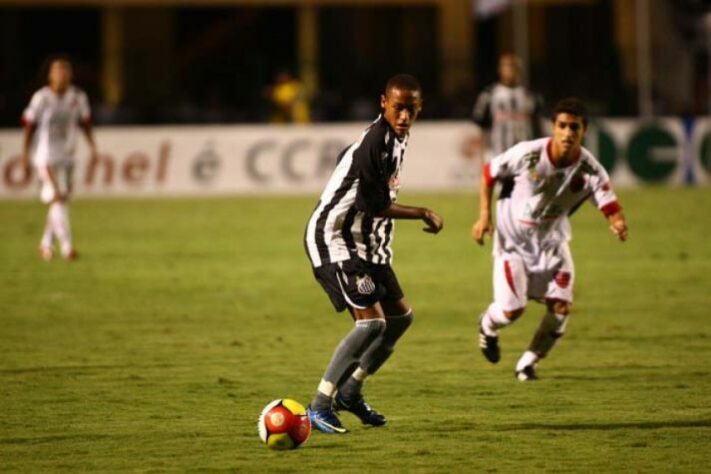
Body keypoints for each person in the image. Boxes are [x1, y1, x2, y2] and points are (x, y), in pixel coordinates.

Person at [304, 74, 443, 433]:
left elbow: (347, 161)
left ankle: (351, 390)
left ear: (419, 108)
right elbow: (375, 204)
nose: (404, 115)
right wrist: (423, 212)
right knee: (372, 323)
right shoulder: (377, 140)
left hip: (367, 244)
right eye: (398, 107)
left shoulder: (395, 138)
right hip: (333, 238)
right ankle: (319, 404)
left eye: (411, 109)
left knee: (401, 320)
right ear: (384, 103)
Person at [471, 98, 628, 381]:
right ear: (554, 127)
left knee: (561, 308)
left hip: (552, 245)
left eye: (574, 127)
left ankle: (528, 363)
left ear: (584, 130)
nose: (568, 133)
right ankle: (487, 326)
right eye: (563, 126)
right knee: (511, 311)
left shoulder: (590, 169)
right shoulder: (527, 154)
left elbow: (609, 203)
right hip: (513, 245)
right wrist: (484, 216)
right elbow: (488, 173)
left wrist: (617, 223)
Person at [21, 56, 98, 261]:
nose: (61, 74)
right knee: (57, 197)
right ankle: (67, 248)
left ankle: (46, 244)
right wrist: (24, 155)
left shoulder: (78, 97)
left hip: (68, 156)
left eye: (64, 71)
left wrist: (93, 148)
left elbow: (85, 122)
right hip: (46, 157)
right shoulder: (41, 98)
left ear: (70, 75)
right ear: (50, 75)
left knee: (61, 201)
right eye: (57, 71)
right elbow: (29, 126)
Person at [472, 53, 544, 156]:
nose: (510, 69)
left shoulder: (531, 95)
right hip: (498, 154)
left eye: (513, 65)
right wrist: (484, 155)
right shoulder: (489, 94)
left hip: (525, 155)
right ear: (499, 69)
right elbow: (481, 125)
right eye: (506, 65)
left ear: (519, 69)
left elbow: (538, 125)